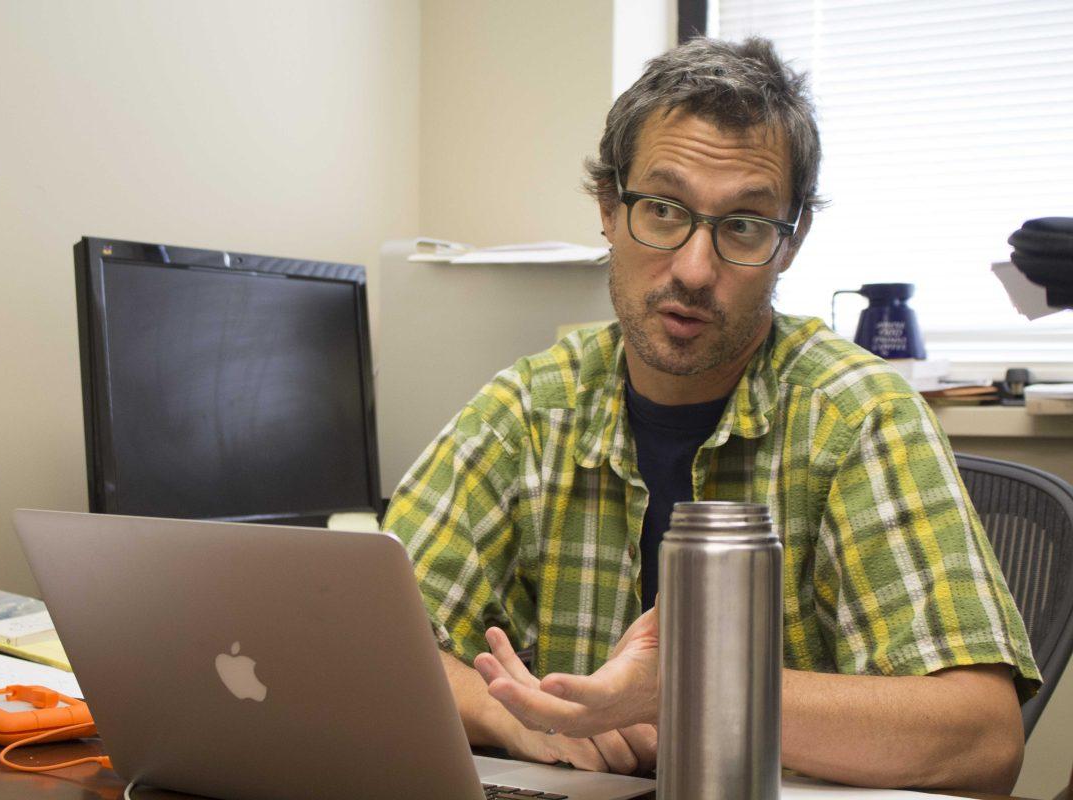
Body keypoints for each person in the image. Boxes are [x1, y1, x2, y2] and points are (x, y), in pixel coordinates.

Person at [382, 36, 1039, 792]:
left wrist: (696, 688)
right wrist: (514, 717)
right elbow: (359, 641)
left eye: (744, 226)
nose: (694, 270)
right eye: (662, 211)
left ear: (791, 244)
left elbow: (981, 740)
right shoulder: (525, 413)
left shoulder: (858, 416)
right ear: (607, 207)